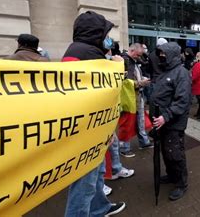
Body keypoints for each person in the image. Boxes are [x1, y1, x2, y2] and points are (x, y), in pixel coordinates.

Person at [62, 11, 125, 216]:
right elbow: (105, 91)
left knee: (95, 174)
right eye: (106, 33)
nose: (109, 38)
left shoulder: (77, 50)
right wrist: (116, 67)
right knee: (85, 182)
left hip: (88, 125)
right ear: (96, 33)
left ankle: (100, 208)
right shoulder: (89, 53)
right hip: (87, 130)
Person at [151, 42, 192, 201]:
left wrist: (165, 116)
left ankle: (181, 183)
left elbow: (182, 101)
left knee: (175, 153)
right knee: (165, 152)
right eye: (160, 54)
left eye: (163, 55)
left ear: (172, 55)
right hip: (162, 122)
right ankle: (171, 175)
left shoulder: (181, 73)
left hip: (173, 122)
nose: (161, 57)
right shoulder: (165, 70)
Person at [120, 43, 153, 158]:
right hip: (130, 97)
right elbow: (124, 82)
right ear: (132, 50)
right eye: (138, 55)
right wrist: (140, 82)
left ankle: (143, 142)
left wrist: (141, 79)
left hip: (136, 95)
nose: (139, 57)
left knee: (140, 120)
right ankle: (124, 147)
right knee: (128, 122)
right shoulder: (125, 61)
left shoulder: (130, 61)